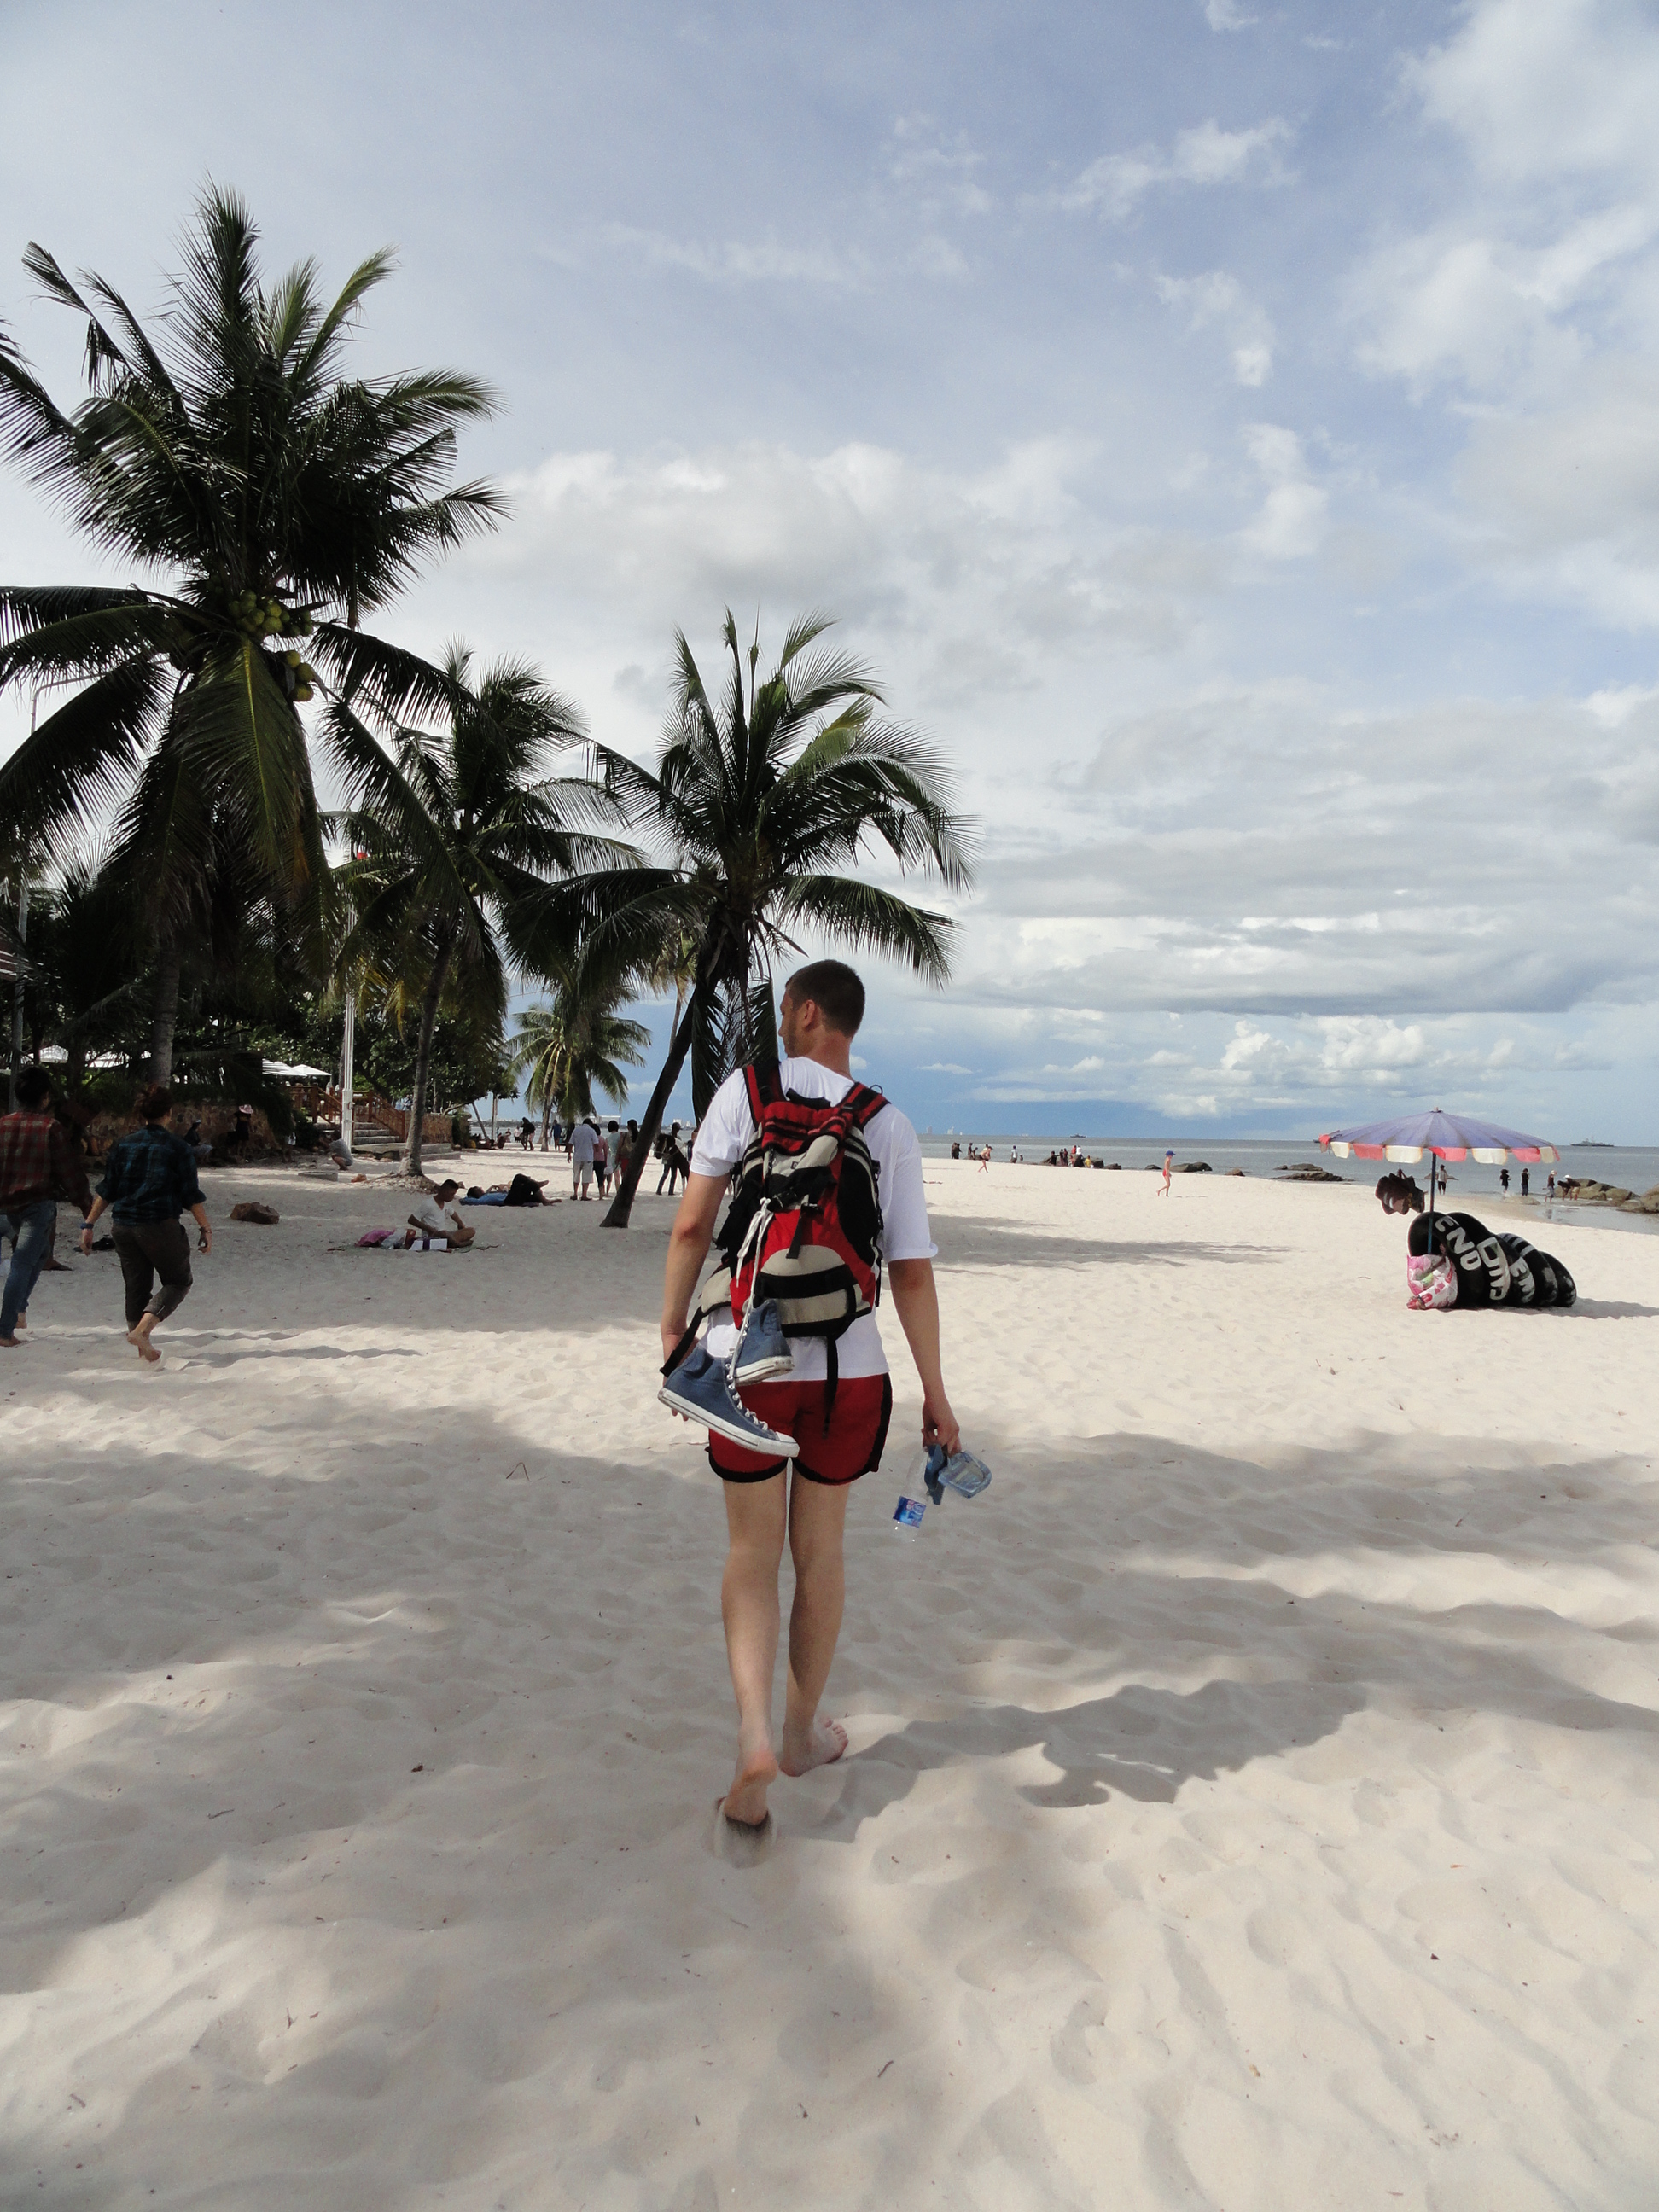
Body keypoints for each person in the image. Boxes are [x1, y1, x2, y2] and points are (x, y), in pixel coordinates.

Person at [660, 958, 960, 1831]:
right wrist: (936, 1394)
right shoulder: (887, 1123)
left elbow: (692, 1224)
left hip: (746, 1369)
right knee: (820, 1552)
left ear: (804, 1014)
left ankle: (754, 1735)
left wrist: (673, 1330)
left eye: (785, 1007)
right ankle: (799, 1735)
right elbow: (911, 1271)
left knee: (751, 1553)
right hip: (849, 1370)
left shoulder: (745, 1094)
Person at [79, 1084, 211, 1363]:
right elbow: (190, 1194)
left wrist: (88, 1225)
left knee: (136, 1287)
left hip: (123, 1225)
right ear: (169, 1112)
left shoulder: (123, 1145)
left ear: (141, 1113)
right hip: (159, 1224)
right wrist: (205, 1228)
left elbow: (107, 1189)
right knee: (178, 1281)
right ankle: (143, 1331)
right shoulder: (178, 1148)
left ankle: (143, 1349)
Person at [2, 1068, 96, 1349]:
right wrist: (87, 1209)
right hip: (37, 1205)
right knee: (22, 1263)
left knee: (40, 1253)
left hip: (8, 1205)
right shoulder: (49, 1127)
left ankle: (18, 1311)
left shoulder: (3, 1124)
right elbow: (70, 1172)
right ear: (45, 1098)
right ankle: (6, 1329)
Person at [405, 1178, 475, 1248]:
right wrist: (429, 1229)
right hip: (431, 1236)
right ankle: (457, 1244)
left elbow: (454, 1214)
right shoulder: (428, 1204)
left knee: (471, 1231)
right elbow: (411, 1220)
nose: (453, 1197)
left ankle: (450, 1242)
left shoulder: (446, 1204)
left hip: (445, 1234)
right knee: (443, 1234)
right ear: (444, 1192)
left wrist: (460, 1224)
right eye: (452, 1194)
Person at [657, 1121, 689, 1196]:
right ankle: (659, 1190)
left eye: (678, 1130)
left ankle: (671, 1191)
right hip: (667, 1158)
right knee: (665, 1174)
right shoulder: (668, 1137)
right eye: (676, 1129)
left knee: (674, 1175)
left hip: (675, 1159)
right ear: (673, 1129)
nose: (677, 1131)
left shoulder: (678, 1138)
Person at [570, 1115, 597, 1199]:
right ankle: (584, 1195)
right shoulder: (592, 1131)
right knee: (586, 1176)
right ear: (590, 1124)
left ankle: (575, 1194)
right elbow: (596, 1144)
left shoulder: (576, 1130)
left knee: (576, 1176)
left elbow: (571, 1143)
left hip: (577, 1156)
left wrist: (569, 1154)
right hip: (588, 1157)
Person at [593, 1119, 611, 1197]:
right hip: (601, 1159)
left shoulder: (592, 1138)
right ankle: (601, 1194)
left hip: (592, 1159)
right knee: (600, 1178)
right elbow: (605, 1151)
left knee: (587, 1176)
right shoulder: (602, 1138)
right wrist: (605, 1161)